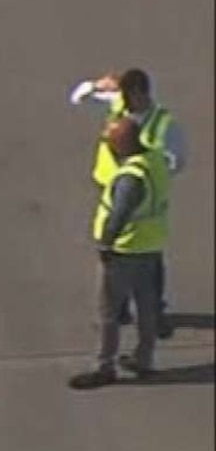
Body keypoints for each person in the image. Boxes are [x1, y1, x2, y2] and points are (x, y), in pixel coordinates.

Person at [73, 69, 186, 336]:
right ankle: (121, 308)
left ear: (141, 93)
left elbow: (177, 161)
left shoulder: (163, 123)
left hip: (143, 196)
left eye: (128, 95)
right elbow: (79, 98)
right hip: (114, 189)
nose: (122, 100)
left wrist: (146, 171)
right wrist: (95, 84)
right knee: (118, 259)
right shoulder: (118, 104)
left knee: (149, 261)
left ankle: (154, 314)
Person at [71, 116, 171, 390]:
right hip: (151, 246)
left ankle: (104, 366)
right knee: (147, 308)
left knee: (109, 312)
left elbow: (119, 215)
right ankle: (144, 359)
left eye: (109, 140)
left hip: (124, 251)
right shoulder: (155, 160)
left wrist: (105, 243)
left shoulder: (130, 178)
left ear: (120, 144)